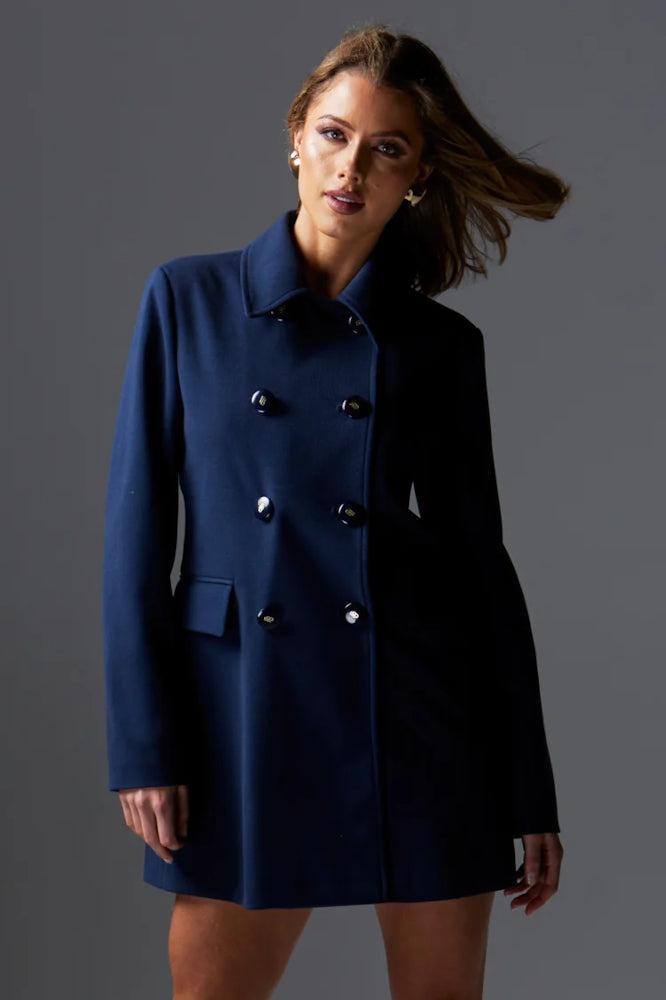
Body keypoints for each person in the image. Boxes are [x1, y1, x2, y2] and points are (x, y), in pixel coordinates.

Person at [102, 23, 567, 1000]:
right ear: (295, 137)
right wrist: (144, 745)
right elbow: (135, 542)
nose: (350, 167)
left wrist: (529, 789)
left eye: (385, 148)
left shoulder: (440, 346)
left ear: (419, 176)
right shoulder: (187, 300)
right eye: (333, 134)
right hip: (243, 711)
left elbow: (480, 567)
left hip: (412, 710)